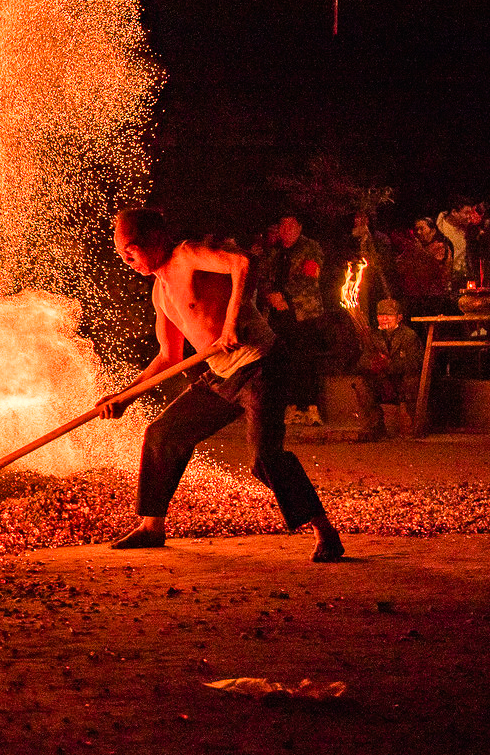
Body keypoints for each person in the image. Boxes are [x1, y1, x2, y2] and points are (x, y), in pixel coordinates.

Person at [96, 207, 343, 562]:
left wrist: (230, 323)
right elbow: (169, 356)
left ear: (154, 239)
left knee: (265, 458)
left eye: (131, 250)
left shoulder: (187, 255)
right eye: (121, 253)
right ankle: (151, 527)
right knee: (163, 434)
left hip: (260, 364)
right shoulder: (161, 293)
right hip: (222, 375)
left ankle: (325, 531)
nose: (126, 259)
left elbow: (242, 263)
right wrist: (125, 397)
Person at [260, 213, 325, 418]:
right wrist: (270, 296)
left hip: (303, 312)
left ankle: (308, 405)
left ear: (299, 227)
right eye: (283, 226)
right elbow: (264, 275)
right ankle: (286, 405)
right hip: (277, 313)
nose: (286, 231)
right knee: (280, 359)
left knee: (305, 359)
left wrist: (285, 295)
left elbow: (310, 277)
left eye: (290, 226)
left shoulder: (310, 248)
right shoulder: (275, 251)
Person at [356, 299, 423, 439]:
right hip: (382, 382)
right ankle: (376, 428)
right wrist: (372, 364)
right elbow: (362, 361)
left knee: (412, 382)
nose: (385, 319)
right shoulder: (372, 337)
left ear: (399, 317)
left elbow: (415, 362)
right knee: (362, 386)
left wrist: (389, 364)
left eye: (389, 315)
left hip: (401, 383)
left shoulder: (409, 336)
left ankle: (413, 427)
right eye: (381, 315)